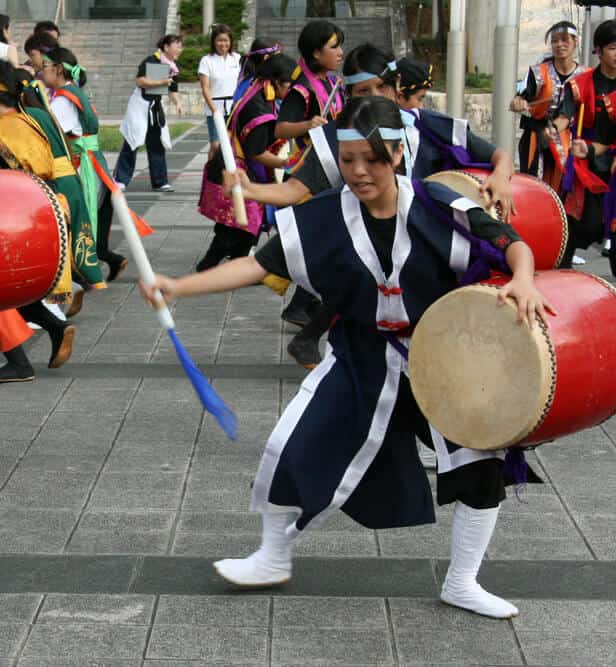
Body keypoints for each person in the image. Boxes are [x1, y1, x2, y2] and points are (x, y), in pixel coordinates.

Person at [144, 95, 550, 620]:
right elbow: (255, 266)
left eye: (373, 159)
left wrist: (522, 280)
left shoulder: (439, 205)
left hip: (444, 353)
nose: (359, 171)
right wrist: (178, 286)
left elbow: (512, 243)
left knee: (479, 463)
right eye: (349, 159)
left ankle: (461, 581)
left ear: (398, 155)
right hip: (362, 352)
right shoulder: (322, 218)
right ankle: (272, 556)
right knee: (294, 443)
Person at [233, 44, 516, 370]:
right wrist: (250, 189)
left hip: (425, 240)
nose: (375, 96)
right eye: (363, 91)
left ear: (396, 87)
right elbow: (294, 190)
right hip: (373, 239)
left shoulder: (426, 125)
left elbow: (499, 155)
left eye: (381, 86)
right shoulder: (337, 139)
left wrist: (501, 176)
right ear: (350, 96)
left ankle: (317, 341)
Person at [0, 59, 82, 382]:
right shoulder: (26, 120)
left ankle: (18, 361)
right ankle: (57, 328)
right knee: (12, 289)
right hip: (46, 212)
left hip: (17, 219)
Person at [197, 51, 295, 270]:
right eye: (289, 86)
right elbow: (256, 152)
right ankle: (208, 266)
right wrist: (285, 164)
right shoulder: (259, 110)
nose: (291, 92)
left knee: (240, 225)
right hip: (236, 169)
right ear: (277, 82)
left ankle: (237, 266)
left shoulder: (255, 88)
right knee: (238, 224)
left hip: (231, 164)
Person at [274, 20, 344, 328]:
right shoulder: (301, 89)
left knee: (323, 239)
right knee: (320, 239)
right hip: (309, 172)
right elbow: (279, 128)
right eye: (334, 47)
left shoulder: (333, 82)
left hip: (331, 169)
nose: (340, 52)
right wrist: (307, 125)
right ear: (316, 53)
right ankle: (302, 305)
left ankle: (308, 303)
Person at [42, 47, 129, 287]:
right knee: (87, 220)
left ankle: (79, 278)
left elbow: (53, 132)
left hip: (83, 167)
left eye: (45, 68)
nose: (41, 73)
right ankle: (95, 267)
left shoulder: (63, 99)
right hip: (93, 164)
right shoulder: (73, 93)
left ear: (58, 69)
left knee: (76, 220)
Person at [556, 19, 616, 273]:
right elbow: (564, 115)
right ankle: (560, 269)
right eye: (613, 47)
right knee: (583, 224)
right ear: (598, 51)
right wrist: (553, 129)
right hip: (587, 164)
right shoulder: (582, 85)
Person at [511, 21, 584, 192]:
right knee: (531, 183)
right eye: (555, 40)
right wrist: (518, 102)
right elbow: (521, 97)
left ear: (575, 42)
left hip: (567, 135)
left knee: (562, 185)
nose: (559, 45)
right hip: (536, 133)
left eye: (565, 40)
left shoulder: (584, 76)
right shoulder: (538, 72)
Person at [114, 35, 183, 192]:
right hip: (139, 106)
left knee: (157, 143)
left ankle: (160, 181)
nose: (180, 49)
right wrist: (161, 82)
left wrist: (177, 103)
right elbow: (140, 81)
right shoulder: (151, 61)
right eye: (177, 45)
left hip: (154, 108)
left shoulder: (172, 67)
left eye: (181, 46)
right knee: (132, 142)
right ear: (166, 47)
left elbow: (173, 90)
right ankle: (120, 180)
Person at [198, 24, 241, 161]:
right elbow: (205, 88)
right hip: (215, 108)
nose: (223, 44)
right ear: (214, 42)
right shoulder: (206, 60)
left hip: (234, 107)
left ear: (231, 41)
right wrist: (214, 109)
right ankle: (209, 177)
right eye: (219, 40)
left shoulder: (237, 58)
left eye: (226, 40)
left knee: (233, 145)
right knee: (216, 145)